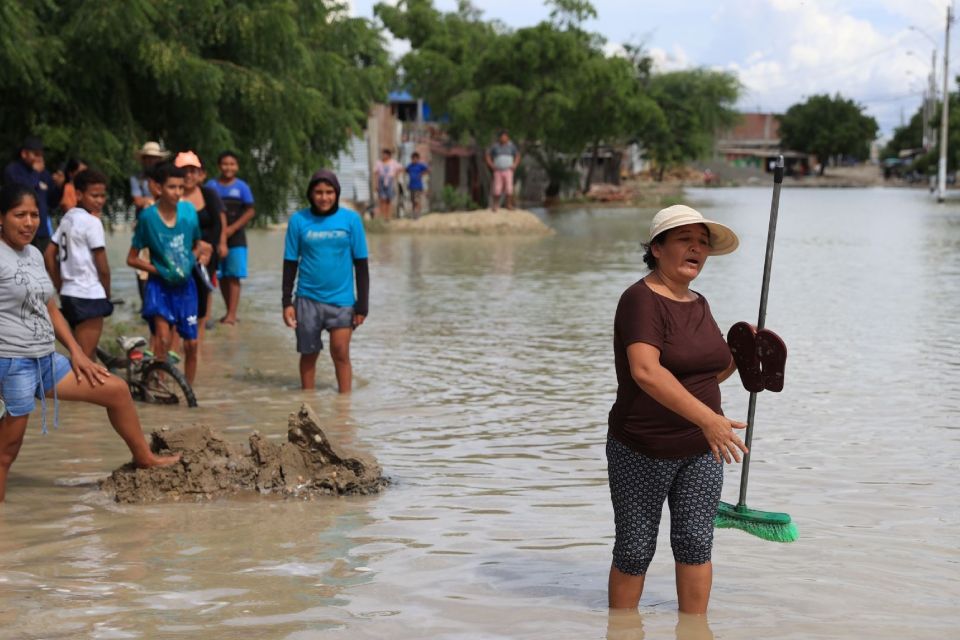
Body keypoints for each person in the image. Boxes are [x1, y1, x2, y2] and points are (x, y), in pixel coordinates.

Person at [607, 204, 748, 614]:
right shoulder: (639, 300)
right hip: (642, 446)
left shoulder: (699, 302)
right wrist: (709, 420)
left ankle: (694, 629)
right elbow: (646, 372)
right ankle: (622, 629)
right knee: (634, 550)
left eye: (702, 243)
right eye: (685, 239)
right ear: (657, 247)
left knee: (695, 544)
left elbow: (705, 374)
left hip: (702, 449)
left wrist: (744, 358)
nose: (696, 249)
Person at [0, 184, 179, 503]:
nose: (29, 223)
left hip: (45, 359)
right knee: (6, 453)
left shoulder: (34, 254)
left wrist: (78, 353)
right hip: (12, 363)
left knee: (116, 390)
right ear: (1, 218)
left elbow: (50, 307)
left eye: (34, 215)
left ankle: (145, 458)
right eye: (19, 215)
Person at [282, 170, 369, 393]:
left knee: (341, 353)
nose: (324, 197)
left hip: (342, 300)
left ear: (336, 193)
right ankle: (307, 405)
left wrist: (362, 306)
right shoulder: (298, 220)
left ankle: (344, 408)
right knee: (309, 355)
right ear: (310, 194)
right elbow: (290, 263)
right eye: (318, 192)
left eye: (329, 192)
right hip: (307, 299)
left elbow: (361, 265)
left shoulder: (351, 220)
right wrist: (286, 303)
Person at [126, 163, 202, 384]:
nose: (177, 192)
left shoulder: (189, 213)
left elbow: (198, 245)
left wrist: (192, 259)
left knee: (192, 344)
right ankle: (158, 381)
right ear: (158, 188)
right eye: (171, 187)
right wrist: (158, 270)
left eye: (180, 187)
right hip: (158, 288)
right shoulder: (148, 218)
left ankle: (189, 389)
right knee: (163, 338)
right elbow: (131, 258)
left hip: (186, 287)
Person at [43, 169, 114, 361]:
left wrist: (59, 285)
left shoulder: (68, 217)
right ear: (80, 194)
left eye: (102, 195)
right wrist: (107, 294)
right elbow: (103, 268)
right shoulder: (92, 222)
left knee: (83, 354)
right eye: (94, 195)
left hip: (69, 294)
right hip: (89, 294)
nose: (100, 200)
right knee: (84, 358)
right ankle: (68, 390)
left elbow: (49, 254)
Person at [175, 151, 225, 340]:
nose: (189, 175)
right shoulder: (173, 195)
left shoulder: (209, 194)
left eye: (192, 171)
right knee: (179, 292)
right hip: (180, 252)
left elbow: (217, 222)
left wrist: (210, 247)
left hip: (207, 252)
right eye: (184, 171)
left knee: (203, 291)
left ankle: (199, 337)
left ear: (200, 174)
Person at [205, 151, 255, 325]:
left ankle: (232, 314)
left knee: (234, 275)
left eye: (232, 164)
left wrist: (232, 228)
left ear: (237, 166)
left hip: (236, 238)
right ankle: (228, 312)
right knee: (221, 275)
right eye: (225, 164)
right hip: (215, 237)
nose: (228, 167)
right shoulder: (211, 185)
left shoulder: (242, 187)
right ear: (219, 166)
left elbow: (250, 211)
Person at [3, 136, 62, 253]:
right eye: (35, 154)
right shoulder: (13, 170)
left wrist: (59, 187)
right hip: (20, 230)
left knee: (43, 266)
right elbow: (19, 191)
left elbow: (53, 203)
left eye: (41, 155)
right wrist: (35, 173)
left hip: (42, 230)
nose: (39, 158)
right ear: (24, 153)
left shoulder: (44, 173)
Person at [485, 130, 520, 211]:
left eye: (505, 136)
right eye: (502, 137)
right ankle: (495, 205)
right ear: (499, 138)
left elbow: (517, 155)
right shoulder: (495, 146)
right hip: (498, 170)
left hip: (508, 170)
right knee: (497, 188)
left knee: (509, 188)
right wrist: (491, 165)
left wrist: (515, 165)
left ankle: (509, 205)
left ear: (507, 137)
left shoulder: (511, 146)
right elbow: (487, 155)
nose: (503, 138)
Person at [373, 149, 402, 220]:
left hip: (390, 182)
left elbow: (400, 168)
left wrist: (394, 175)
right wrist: (376, 184)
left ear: (389, 155)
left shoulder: (393, 162)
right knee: (382, 200)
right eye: (383, 154)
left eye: (385, 154)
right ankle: (382, 216)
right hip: (381, 182)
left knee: (389, 200)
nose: (383, 156)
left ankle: (388, 216)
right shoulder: (379, 163)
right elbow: (376, 174)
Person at [405, 152, 430, 218]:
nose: (414, 160)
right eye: (413, 159)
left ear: (418, 159)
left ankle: (418, 213)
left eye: (416, 159)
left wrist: (421, 174)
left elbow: (428, 169)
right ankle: (414, 213)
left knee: (417, 200)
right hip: (411, 186)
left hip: (418, 186)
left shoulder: (420, 165)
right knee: (413, 201)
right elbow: (405, 170)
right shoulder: (410, 166)